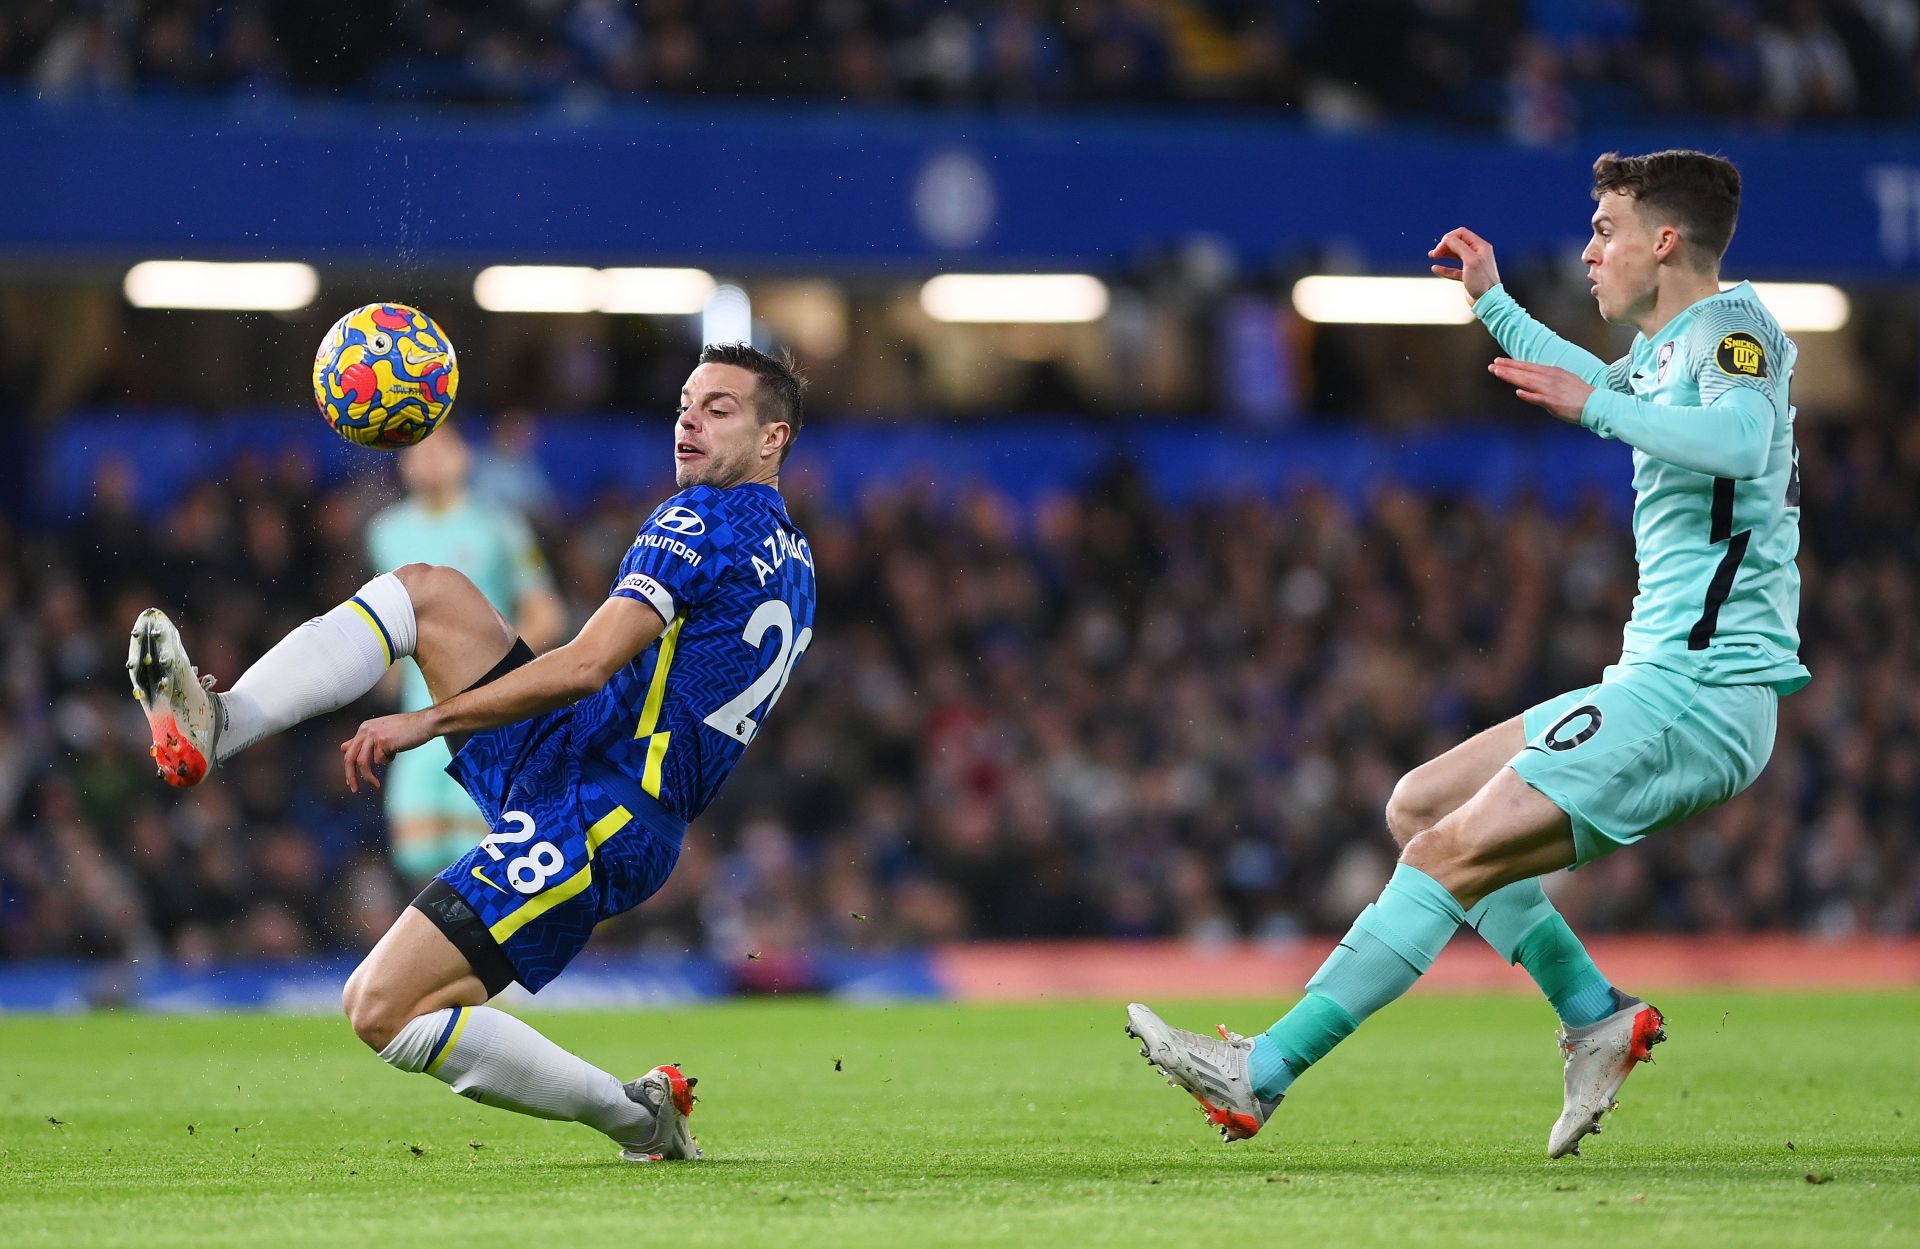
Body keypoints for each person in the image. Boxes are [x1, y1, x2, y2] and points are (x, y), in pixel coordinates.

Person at [1127, 150, 1806, 1159]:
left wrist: (1602, 409)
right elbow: (1599, 384)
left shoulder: (1737, 331)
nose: (1589, 250)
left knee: (1442, 857)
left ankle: (1259, 1071)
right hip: (1661, 680)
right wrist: (1493, 304)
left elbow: (1742, 442)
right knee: (1421, 806)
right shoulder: (1674, 347)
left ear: (1665, 241)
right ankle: (1595, 1013)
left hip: (1702, 692)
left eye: (1606, 229)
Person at [127, 343, 815, 1163]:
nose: (689, 422)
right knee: (426, 589)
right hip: (583, 762)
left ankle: (640, 1119)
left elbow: (588, 664)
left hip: (602, 811)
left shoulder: (697, 519)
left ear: (774, 438)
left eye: (719, 408)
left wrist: (427, 719)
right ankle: (221, 723)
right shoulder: (799, 563)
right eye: (683, 405)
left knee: (378, 1006)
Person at [367, 427, 565, 885]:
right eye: (416, 452)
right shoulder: (385, 532)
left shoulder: (501, 526)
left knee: (484, 853)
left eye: (440, 447)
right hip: (416, 719)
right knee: (417, 858)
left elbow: (546, 614)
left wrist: (499, 668)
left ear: (465, 457)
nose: (429, 460)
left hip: (486, 717)